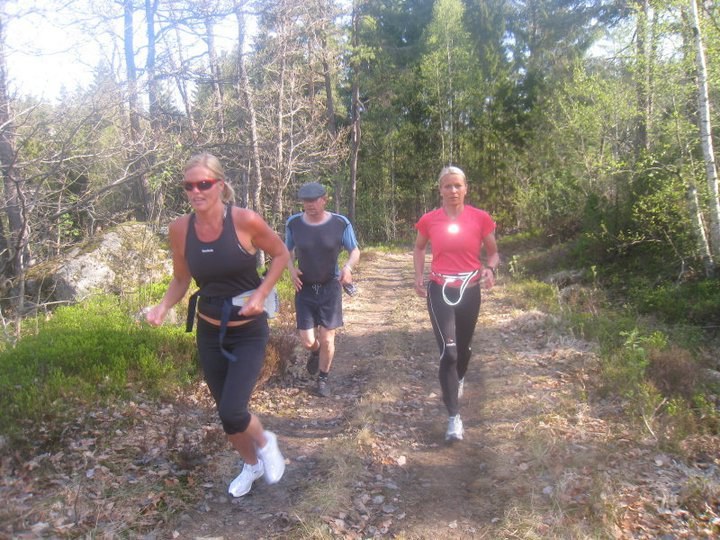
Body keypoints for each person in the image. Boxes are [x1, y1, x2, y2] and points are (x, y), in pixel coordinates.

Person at [146, 152, 290, 497]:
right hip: (209, 331)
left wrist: (262, 292)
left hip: (248, 331)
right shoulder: (180, 229)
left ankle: (265, 441)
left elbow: (281, 254)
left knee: (233, 408)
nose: (196, 191)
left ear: (220, 185)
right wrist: (163, 306)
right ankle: (251, 466)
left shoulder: (245, 221)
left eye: (204, 184)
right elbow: (181, 279)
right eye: (189, 186)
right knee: (226, 417)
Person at [413, 166, 499, 442]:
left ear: (466, 189)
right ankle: (454, 418)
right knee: (448, 353)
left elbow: (493, 252)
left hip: (470, 289)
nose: (453, 191)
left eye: (457, 186)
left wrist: (490, 269)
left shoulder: (480, 218)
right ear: (440, 190)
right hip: (439, 289)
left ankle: (459, 378)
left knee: (463, 350)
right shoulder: (429, 220)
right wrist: (418, 276)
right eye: (447, 186)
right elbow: (419, 247)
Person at [285, 182, 360, 398]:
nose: (309, 204)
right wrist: (291, 269)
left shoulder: (340, 223)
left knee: (328, 338)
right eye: (305, 201)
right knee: (308, 341)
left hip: (330, 287)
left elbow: (354, 250)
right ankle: (315, 353)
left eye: (314, 200)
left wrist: (347, 267)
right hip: (305, 288)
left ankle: (323, 379)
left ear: (324, 200)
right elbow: (286, 250)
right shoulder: (294, 223)